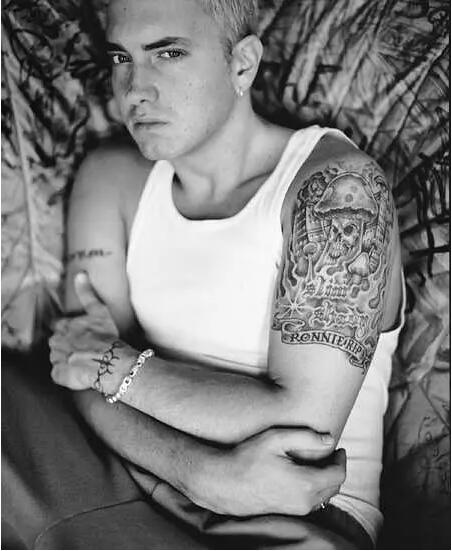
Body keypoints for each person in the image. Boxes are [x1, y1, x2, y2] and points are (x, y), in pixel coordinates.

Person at [3, 0, 404, 548]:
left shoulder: (338, 190)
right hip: (136, 477)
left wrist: (114, 367)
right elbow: (77, 370)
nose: (134, 90)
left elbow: (304, 427)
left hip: (293, 512)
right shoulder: (110, 178)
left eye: (168, 53)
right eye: (121, 57)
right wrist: (196, 473)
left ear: (242, 64)